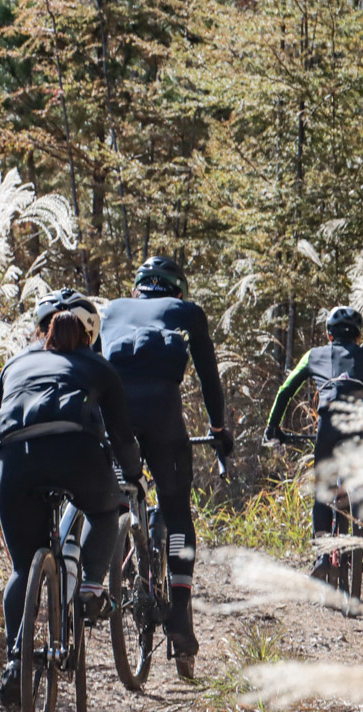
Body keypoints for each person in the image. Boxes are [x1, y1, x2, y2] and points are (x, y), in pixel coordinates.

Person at [0, 293, 143, 706]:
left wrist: (12, 474)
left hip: (15, 459)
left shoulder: (16, 363)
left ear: (43, 333)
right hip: (78, 454)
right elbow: (123, 437)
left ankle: (16, 661)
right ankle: (90, 589)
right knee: (107, 510)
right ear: (89, 337)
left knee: (23, 568)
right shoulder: (97, 366)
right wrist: (133, 477)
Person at [97, 256, 233, 678]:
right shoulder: (187, 312)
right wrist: (218, 429)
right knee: (176, 515)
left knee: (116, 495)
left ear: (138, 288)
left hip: (112, 411)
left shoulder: (113, 309)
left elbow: (94, 367)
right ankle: (178, 614)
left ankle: (109, 570)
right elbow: (209, 377)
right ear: (177, 290)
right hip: (163, 411)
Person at [262, 305, 363, 580]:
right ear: (359, 336)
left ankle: (324, 553)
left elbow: (286, 389)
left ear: (328, 334)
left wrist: (273, 427)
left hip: (328, 426)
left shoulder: (314, 355)